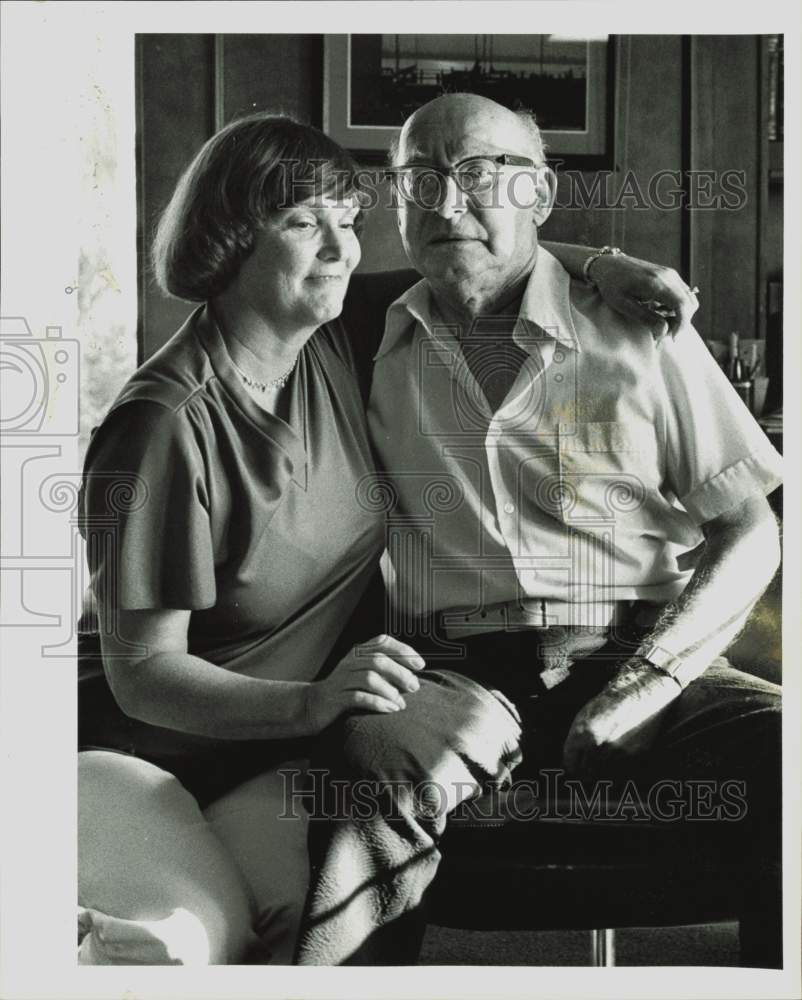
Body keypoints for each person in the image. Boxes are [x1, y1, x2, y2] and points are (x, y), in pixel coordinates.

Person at [77, 111, 689, 965]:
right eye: (301, 223)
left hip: (271, 755)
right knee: (183, 944)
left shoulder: (332, 332)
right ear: (226, 241)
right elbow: (142, 676)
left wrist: (609, 266)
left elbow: (479, 255)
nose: (341, 249)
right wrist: (314, 700)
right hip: (142, 756)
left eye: (349, 220)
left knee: (324, 915)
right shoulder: (163, 425)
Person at [293, 94, 783, 965]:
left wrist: (645, 687)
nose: (447, 202)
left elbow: (752, 532)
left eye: (481, 173)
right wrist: (594, 252)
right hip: (448, 672)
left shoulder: (640, 328)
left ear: (542, 193)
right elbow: (254, 271)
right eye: (420, 178)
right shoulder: (360, 329)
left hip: (646, 650)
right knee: (365, 788)